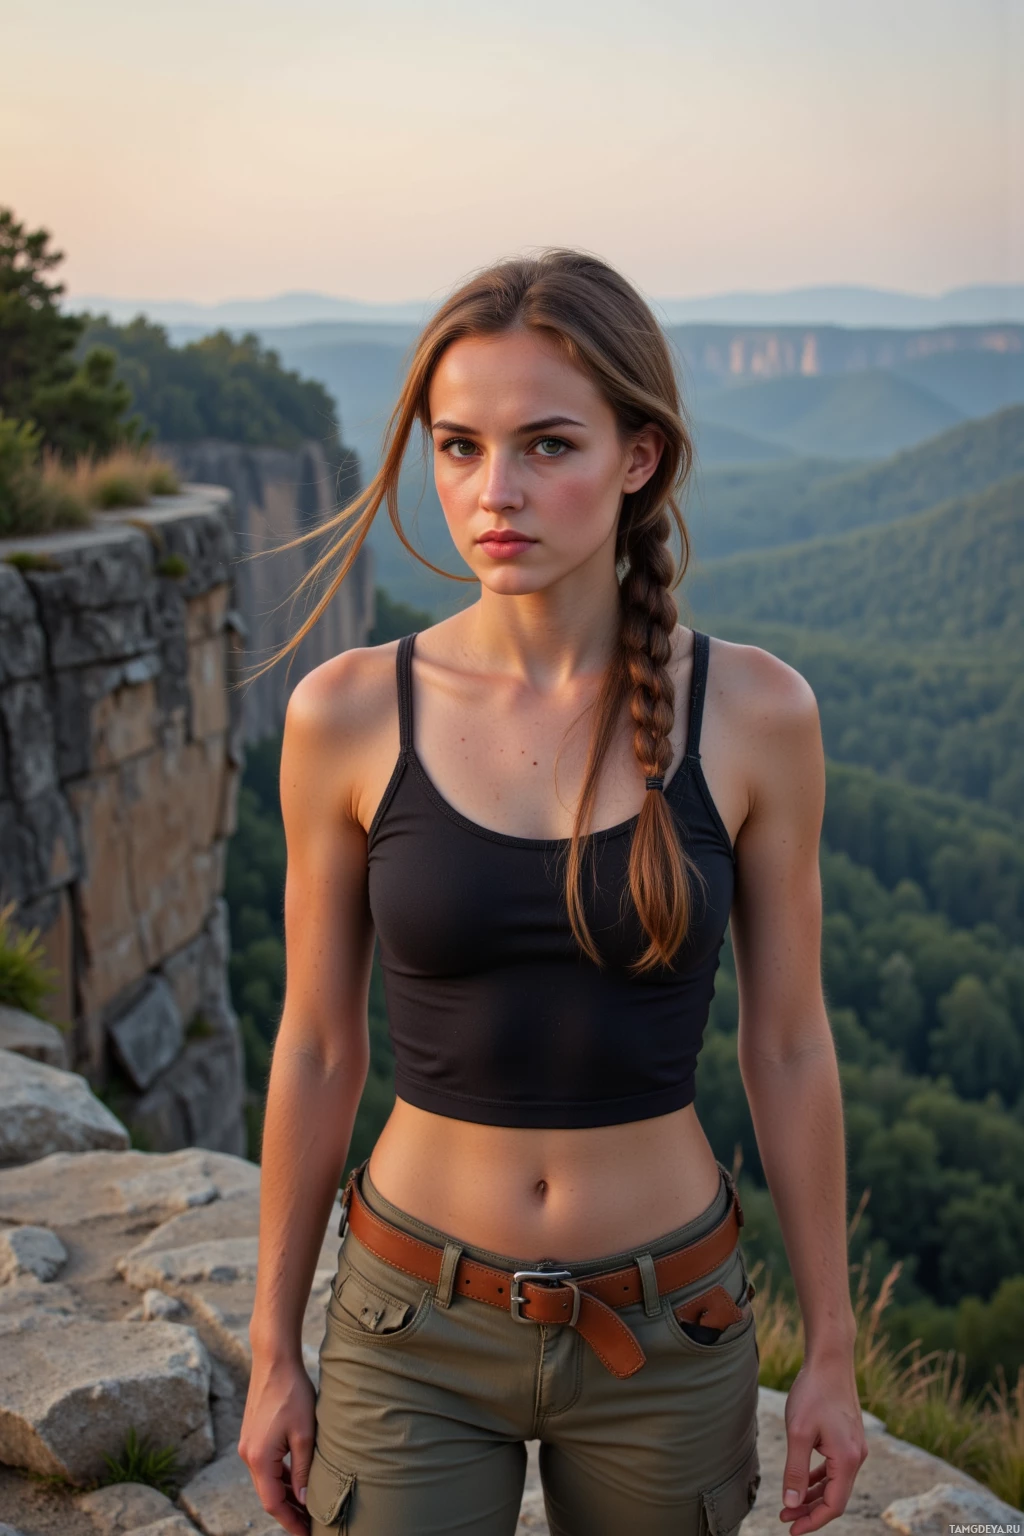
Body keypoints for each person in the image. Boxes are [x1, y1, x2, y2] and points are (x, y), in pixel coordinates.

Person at [237, 249, 868, 1536]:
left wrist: (834, 1354)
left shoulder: (754, 713)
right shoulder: (349, 713)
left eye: (547, 445)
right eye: (459, 447)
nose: (494, 493)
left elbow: (792, 1043)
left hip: (670, 1321)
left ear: (639, 457)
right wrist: (271, 1349)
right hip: (410, 1317)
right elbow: (311, 1044)